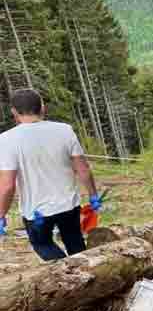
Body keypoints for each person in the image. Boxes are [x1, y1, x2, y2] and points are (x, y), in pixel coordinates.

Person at [0, 89, 102, 260]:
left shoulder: (6, 140)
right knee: (75, 242)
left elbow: (7, 185)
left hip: (36, 212)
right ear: (43, 108)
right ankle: (85, 272)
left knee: (43, 245)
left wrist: (1, 214)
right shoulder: (64, 130)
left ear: (14, 112)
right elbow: (83, 169)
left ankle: (68, 274)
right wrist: (93, 196)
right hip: (68, 205)